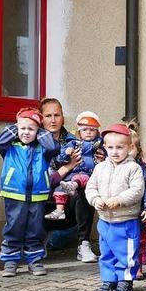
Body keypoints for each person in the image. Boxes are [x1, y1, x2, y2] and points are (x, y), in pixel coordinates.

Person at [0, 108, 60, 277]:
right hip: (14, 193)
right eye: (23, 128)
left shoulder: (43, 149)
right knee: (14, 226)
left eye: (31, 129)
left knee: (35, 229)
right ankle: (10, 260)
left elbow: (54, 147)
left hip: (37, 194)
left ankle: (34, 260)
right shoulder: (9, 147)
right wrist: (16, 126)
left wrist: (41, 129)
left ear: (38, 131)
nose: (26, 132)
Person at [85, 124, 144, 291]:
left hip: (126, 220)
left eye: (120, 147)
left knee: (126, 253)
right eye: (110, 147)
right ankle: (108, 279)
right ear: (104, 147)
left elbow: (136, 190)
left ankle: (125, 281)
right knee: (106, 251)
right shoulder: (100, 168)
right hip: (105, 220)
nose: (115, 151)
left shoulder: (133, 168)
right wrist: (96, 200)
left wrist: (119, 200)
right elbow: (90, 188)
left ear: (129, 147)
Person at [40, 98, 99, 263]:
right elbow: (43, 181)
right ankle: (39, 240)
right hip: (44, 198)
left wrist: (99, 160)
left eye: (57, 115)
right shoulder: (36, 142)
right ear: (41, 118)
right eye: (48, 115)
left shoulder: (76, 141)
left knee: (85, 188)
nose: (53, 120)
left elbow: (88, 169)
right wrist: (67, 167)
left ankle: (84, 244)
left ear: (63, 118)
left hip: (70, 200)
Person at [46, 111, 104, 221]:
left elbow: (106, 151)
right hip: (72, 172)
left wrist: (102, 153)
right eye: (85, 130)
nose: (88, 132)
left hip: (88, 173)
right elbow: (61, 157)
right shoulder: (74, 142)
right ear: (79, 132)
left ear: (97, 132)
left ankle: (73, 186)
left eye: (92, 130)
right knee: (60, 187)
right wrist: (67, 152)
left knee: (80, 178)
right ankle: (59, 210)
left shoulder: (98, 143)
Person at [126, 121, 146, 280]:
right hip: (121, 212)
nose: (129, 151)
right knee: (124, 241)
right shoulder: (112, 167)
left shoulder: (143, 168)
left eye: (132, 147)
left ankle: (138, 267)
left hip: (139, 211)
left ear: (138, 149)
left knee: (140, 239)